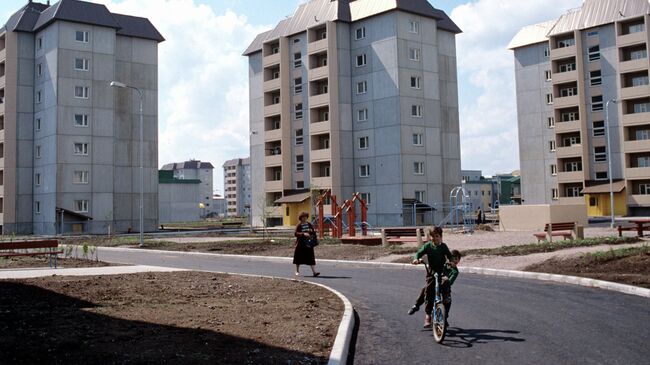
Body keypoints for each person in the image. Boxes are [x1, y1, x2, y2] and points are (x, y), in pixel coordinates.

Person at [407, 226, 453, 328]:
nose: (435, 238)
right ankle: (428, 316)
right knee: (428, 292)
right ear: (429, 237)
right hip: (431, 273)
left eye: (437, 236)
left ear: (440, 237)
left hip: (442, 272)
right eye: (432, 236)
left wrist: (451, 262)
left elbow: (450, 256)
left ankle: (444, 315)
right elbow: (419, 253)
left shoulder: (443, 247)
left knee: (446, 289)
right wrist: (416, 259)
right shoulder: (428, 246)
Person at [293, 211, 320, 277]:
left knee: (311, 257)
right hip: (300, 244)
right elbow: (295, 233)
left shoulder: (309, 224)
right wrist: (303, 234)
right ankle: (297, 270)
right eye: (303, 217)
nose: (304, 218)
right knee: (298, 257)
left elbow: (313, 232)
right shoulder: (299, 225)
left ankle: (314, 272)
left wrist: (311, 233)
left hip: (308, 243)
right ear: (301, 218)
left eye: (305, 217)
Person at [440, 250, 461, 327]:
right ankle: (426, 314)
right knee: (426, 292)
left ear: (459, 260)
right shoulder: (444, 265)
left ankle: (445, 316)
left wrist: (447, 280)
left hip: (446, 287)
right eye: (452, 259)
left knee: (448, 300)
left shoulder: (455, 271)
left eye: (456, 259)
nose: (454, 261)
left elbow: (450, 282)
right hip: (436, 283)